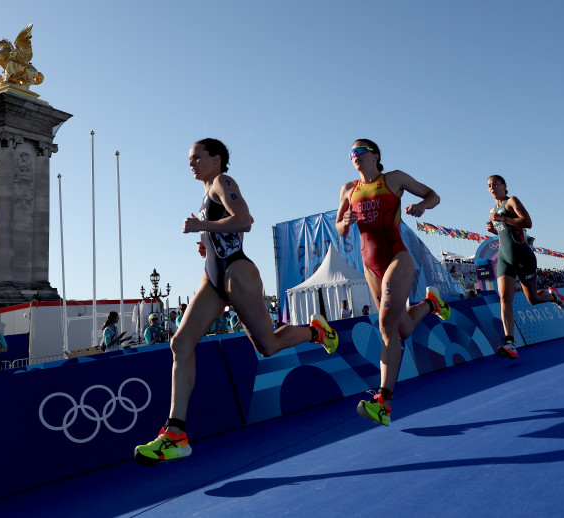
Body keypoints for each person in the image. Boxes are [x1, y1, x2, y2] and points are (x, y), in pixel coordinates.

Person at [135, 138, 338, 466]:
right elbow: (226, 231)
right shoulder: (205, 193)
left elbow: (244, 220)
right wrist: (207, 240)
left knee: (268, 346)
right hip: (212, 276)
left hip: (237, 273)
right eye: (189, 159)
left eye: (197, 157)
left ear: (216, 160)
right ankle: (175, 434)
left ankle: (315, 331)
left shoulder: (222, 182)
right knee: (180, 343)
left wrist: (203, 226)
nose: (191, 163)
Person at [336, 138, 451, 427]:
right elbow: (340, 228)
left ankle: (383, 401)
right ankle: (430, 303)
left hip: (397, 257)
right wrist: (345, 222)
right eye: (351, 153)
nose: (355, 156)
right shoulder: (348, 189)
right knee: (403, 328)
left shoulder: (394, 179)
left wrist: (423, 206)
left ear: (374, 156)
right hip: (369, 265)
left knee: (386, 326)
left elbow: (434, 195)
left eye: (360, 151)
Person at [485, 175, 564, 360]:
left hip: (523, 257)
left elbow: (527, 222)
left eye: (495, 184)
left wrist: (502, 219)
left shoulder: (511, 201)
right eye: (489, 186)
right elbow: (504, 232)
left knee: (534, 300)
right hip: (505, 258)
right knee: (505, 298)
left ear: (504, 185)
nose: (492, 188)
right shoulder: (492, 210)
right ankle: (510, 343)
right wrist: (494, 227)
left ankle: (553, 296)